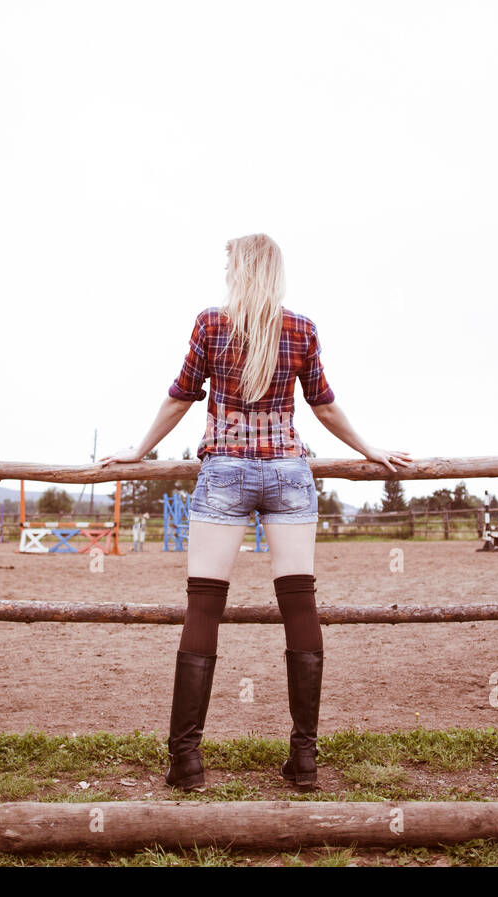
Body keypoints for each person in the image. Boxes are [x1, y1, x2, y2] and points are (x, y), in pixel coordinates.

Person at [101, 233, 411, 792]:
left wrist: (139, 450)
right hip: (289, 474)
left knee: (204, 607)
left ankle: (187, 761)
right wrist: (370, 449)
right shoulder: (302, 328)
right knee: (299, 603)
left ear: (239, 271)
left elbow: (180, 396)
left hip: (224, 473)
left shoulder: (210, 324)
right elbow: (324, 405)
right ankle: (305, 759)